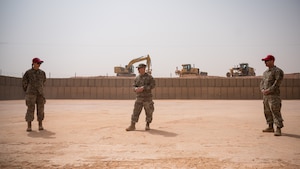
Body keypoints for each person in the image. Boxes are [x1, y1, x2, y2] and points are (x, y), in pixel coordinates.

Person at [126, 63, 156, 131]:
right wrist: (135, 89)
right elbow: (134, 85)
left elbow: (153, 85)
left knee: (149, 112)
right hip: (139, 98)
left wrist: (144, 88)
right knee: (135, 111)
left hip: (147, 98)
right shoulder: (137, 78)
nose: (138, 70)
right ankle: (132, 125)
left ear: (143, 69)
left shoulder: (149, 77)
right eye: (138, 69)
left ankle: (147, 125)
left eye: (140, 68)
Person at [260, 55, 284, 136]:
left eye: (267, 61)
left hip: (274, 96)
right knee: (267, 111)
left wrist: (269, 90)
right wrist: (262, 89)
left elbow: (277, 83)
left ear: (272, 61)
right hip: (266, 96)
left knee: (275, 111)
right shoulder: (265, 73)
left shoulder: (278, 71)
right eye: (265, 61)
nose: (265, 63)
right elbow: (262, 82)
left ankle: (278, 128)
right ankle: (270, 127)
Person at [22, 58, 46, 132]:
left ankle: (40, 125)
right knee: (30, 109)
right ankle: (29, 126)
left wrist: (41, 90)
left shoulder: (42, 73)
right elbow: (24, 83)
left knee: (41, 110)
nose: (39, 65)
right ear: (34, 63)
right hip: (31, 94)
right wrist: (28, 91)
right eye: (38, 63)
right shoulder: (28, 73)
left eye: (40, 63)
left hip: (40, 94)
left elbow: (44, 82)